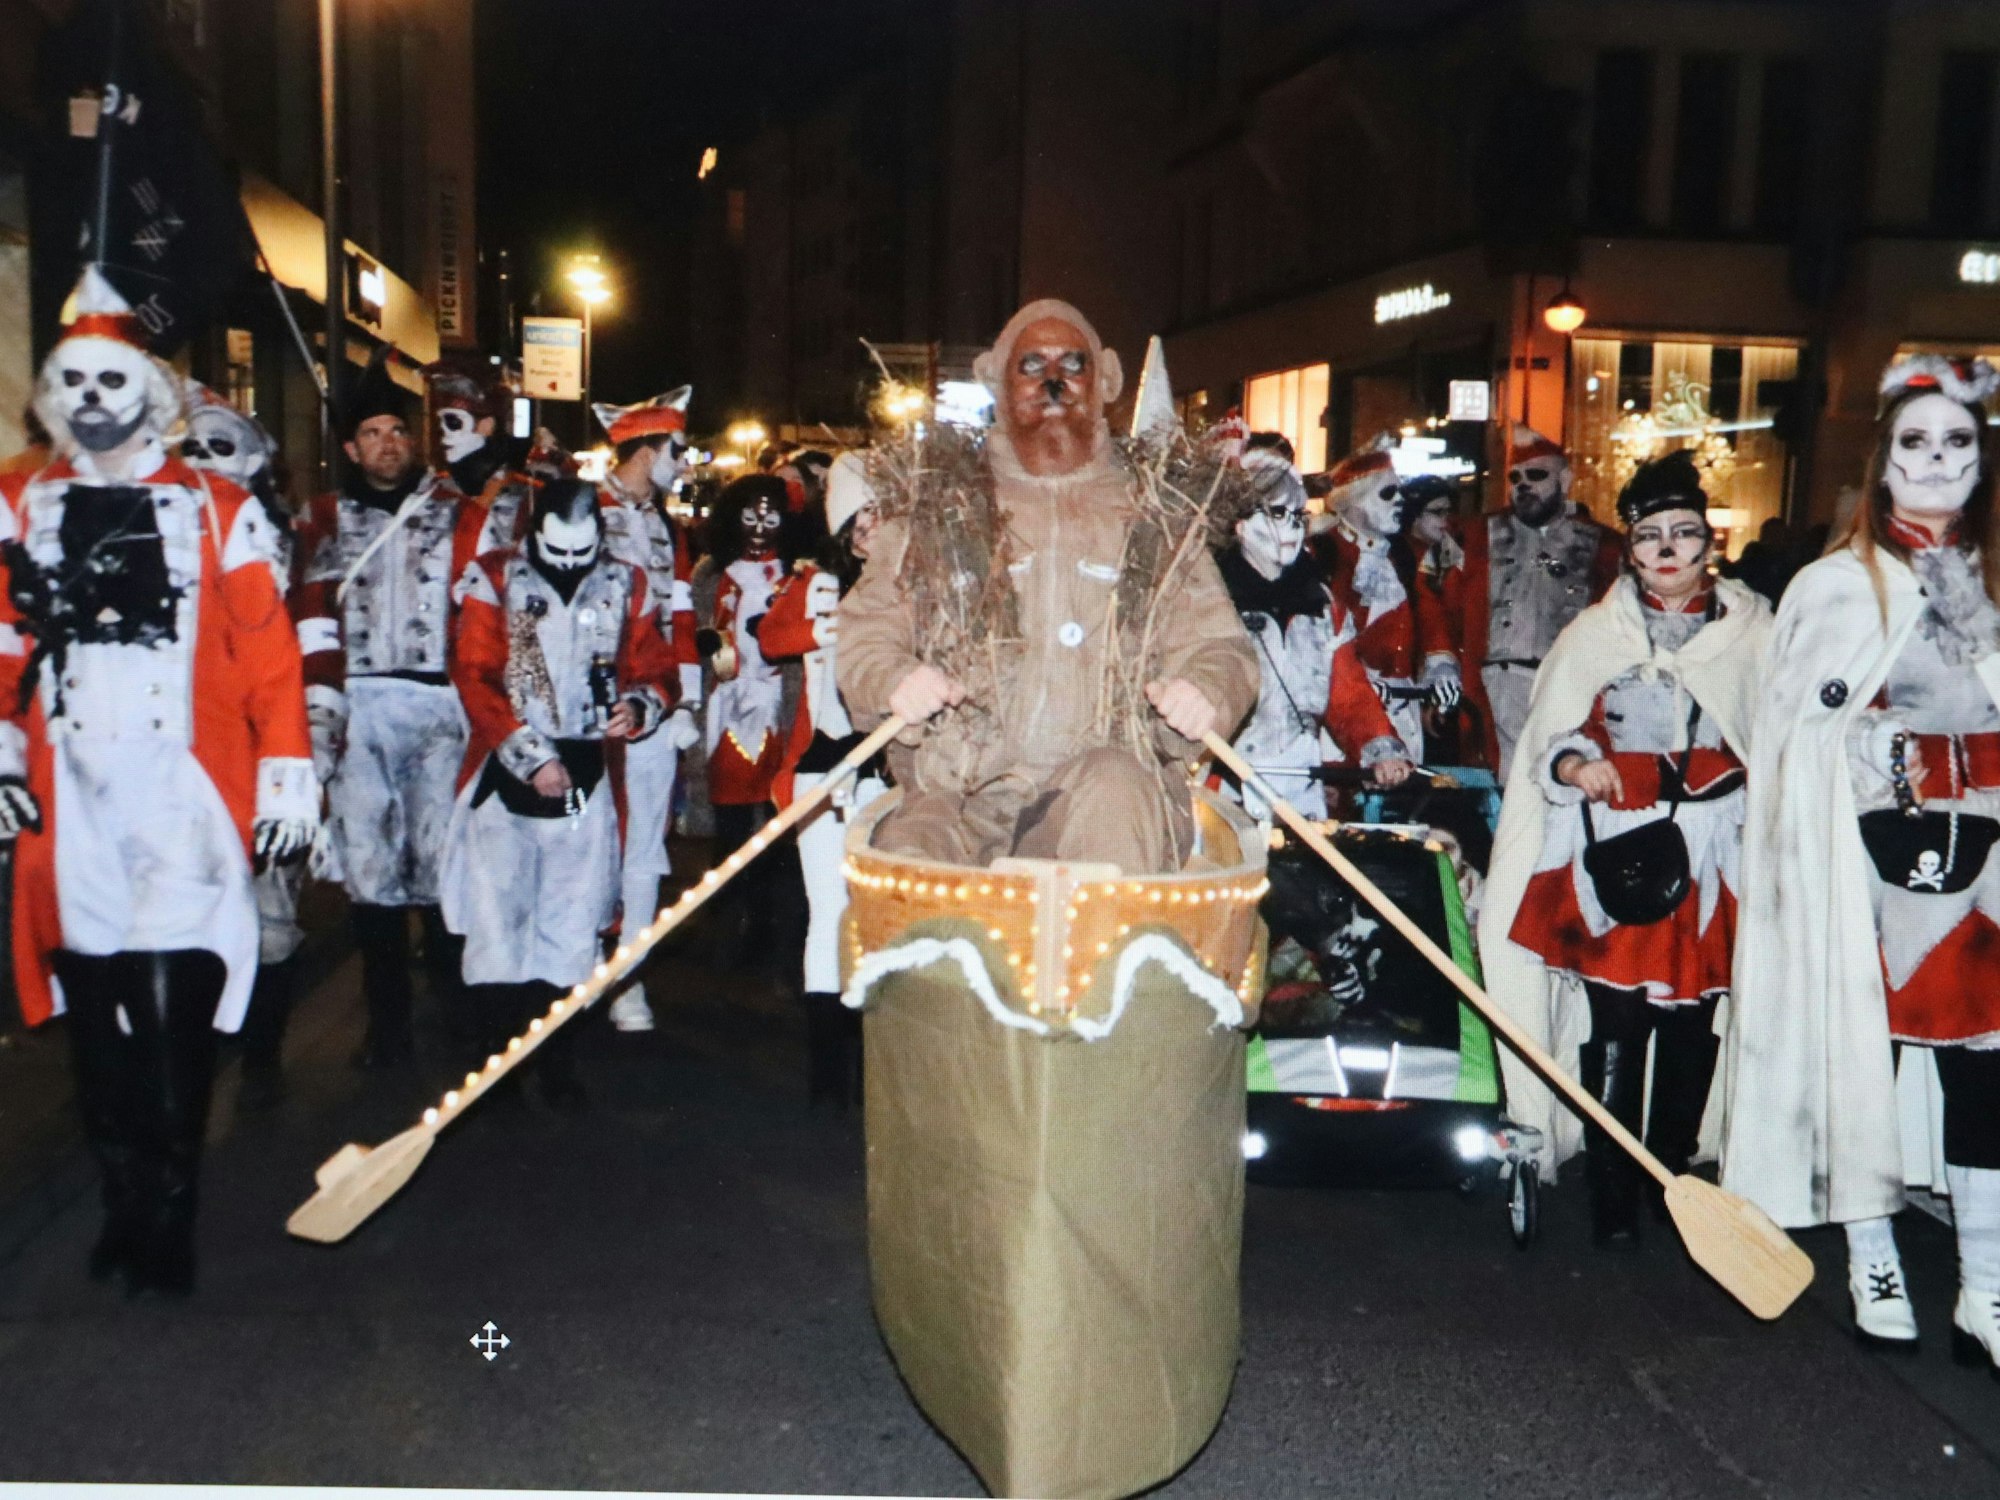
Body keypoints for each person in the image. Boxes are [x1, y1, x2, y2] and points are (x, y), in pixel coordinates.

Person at [0, 270, 317, 1292]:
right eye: (73, 380)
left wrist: (284, 774)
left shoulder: (217, 506)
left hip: (182, 790)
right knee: (96, 1019)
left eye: (111, 378)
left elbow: (269, 651)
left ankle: (173, 1207)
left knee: (172, 1005)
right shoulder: (16, 499)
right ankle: (121, 1197)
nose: (92, 398)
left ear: (148, 388)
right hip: (75, 797)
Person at [1722, 355, 2000, 1364]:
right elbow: (1790, 731)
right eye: (1913, 442)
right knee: (1859, 1057)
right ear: (1881, 459)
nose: (1934, 461)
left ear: (1982, 456)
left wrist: (1974, 622)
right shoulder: (1832, 586)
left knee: (1988, 1071)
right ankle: (1869, 1254)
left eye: (1955, 442)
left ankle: (1984, 1286)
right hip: (1864, 856)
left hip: (1987, 852)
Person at [838, 299, 1258, 874]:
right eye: (1031, 365)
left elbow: (1221, 646)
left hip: (1103, 791)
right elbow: (867, 631)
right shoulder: (938, 507)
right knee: (912, 880)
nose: (1054, 380)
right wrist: (894, 681)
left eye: (1073, 364)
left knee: (1114, 799)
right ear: (997, 381)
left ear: (1106, 379)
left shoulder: (1155, 515)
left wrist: (1205, 689)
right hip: (961, 795)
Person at [1482, 450, 1770, 1246]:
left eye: (1684, 533)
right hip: (1616, 846)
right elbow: (1553, 735)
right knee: (1617, 1022)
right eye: (1651, 536)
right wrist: (1578, 764)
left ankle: (1674, 1181)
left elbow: (1779, 736)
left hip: (1713, 853)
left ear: (1710, 540)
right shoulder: (1594, 634)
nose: (1669, 550)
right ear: (1631, 548)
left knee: (1691, 1023)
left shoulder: (1753, 630)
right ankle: (1614, 1189)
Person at [291, 354, 500, 1069]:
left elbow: (487, 608)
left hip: (440, 705)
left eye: (396, 431)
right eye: (372, 433)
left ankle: (455, 1015)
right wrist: (319, 720)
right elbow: (312, 620)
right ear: (350, 448)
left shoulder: (455, 512)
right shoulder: (323, 519)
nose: (387, 443)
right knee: (371, 871)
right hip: (360, 707)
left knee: (443, 864)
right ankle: (387, 1029)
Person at [440, 477, 676, 1108]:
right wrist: (530, 755)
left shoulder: (629, 582)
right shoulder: (492, 578)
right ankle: (496, 1075)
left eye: (583, 550)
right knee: (498, 928)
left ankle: (558, 1066)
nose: (571, 564)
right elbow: (474, 673)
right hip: (507, 775)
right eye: (558, 550)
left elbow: (657, 666)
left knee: (572, 932)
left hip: (590, 775)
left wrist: (639, 704)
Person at [180, 381, 301, 1113]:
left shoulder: (268, 535)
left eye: (218, 447)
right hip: (181, 760)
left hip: (260, 758)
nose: (198, 460)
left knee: (269, 910)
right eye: (187, 446)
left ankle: (260, 1048)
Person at [759, 453, 887, 1105]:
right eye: (861, 515)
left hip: (890, 772)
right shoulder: (815, 584)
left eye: (882, 513)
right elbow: (772, 638)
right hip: (824, 771)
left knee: (882, 914)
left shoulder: (911, 584)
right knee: (829, 912)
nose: (873, 526)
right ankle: (828, 1073)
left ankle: (877, 1057)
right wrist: (834, 625)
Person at [1217, 452, 1412, 819]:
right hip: (1227, 791)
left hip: (1300, 788)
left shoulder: (1322, 606)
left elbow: (1349, 695)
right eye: (1277, 514)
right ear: (1240, 525)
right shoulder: (1212, 602)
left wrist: (1380, 747)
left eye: (1298, 517)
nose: (1291, 529)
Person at [593, 389, 704, 1031]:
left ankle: (627, 980)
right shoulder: (582, 510)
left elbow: (682, 617)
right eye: (677, 450)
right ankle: (579, 968)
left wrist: (685, 699)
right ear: (647, 448)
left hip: (655, 706)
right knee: (588, 843)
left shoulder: (669, 528)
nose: (684, 465)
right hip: (596, 710)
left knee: (644, 849)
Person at [1448, 425, 1622, 777]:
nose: (1523, 484)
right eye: (1515, 477)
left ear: (1566, 479)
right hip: (1496, 686)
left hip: (1569, 685)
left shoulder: (1603, 544)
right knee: (1505, 789)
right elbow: (1437, 602)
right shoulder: (1474, 536)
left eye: (1537, 474)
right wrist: (1441, 661)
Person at [1313, 439, 1461, 762]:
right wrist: (1364, 683)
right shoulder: (1323, 554)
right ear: (1352, 500)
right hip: (1346, 716)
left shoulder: (1401, 554)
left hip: (1402, 709)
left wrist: (1441, 667)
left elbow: (1427, 612)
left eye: (1400, 492)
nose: (1399, 502)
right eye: (1387, 493)